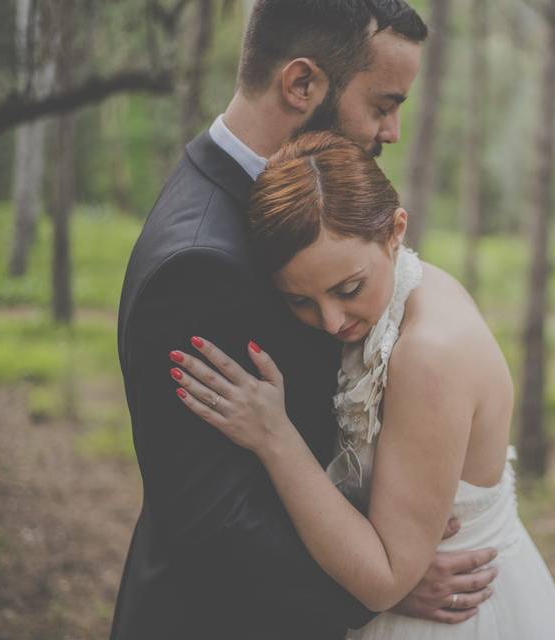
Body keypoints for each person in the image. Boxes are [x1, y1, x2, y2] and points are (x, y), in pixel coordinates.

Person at [112, 2, 498, 638]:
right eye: (382, 104)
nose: (393, 131)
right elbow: (213, 516)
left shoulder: (285, 208)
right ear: (302, 84)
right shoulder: (202, 260)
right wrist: (377, 586)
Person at [167, 132, 555, 638]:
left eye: (348, 289)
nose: (332, 320)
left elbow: (384, 580)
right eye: (300, 301)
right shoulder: (414, 287)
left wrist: (275, 438)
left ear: (395, 230)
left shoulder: (428, 355)